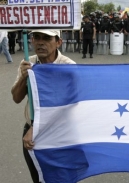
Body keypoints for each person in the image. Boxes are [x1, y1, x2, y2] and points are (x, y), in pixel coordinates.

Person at [11, 30, 76, 183]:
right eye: (37, 38)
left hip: (61, 131)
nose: (41, 42)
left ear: (58, 42)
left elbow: (68, 106)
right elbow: (16, 98)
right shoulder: (28, 62)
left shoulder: (69, 67)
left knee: (62, 178)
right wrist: (24, 78)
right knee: (39, 178)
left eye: (47, 38)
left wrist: (36, 129)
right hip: (32, 132)